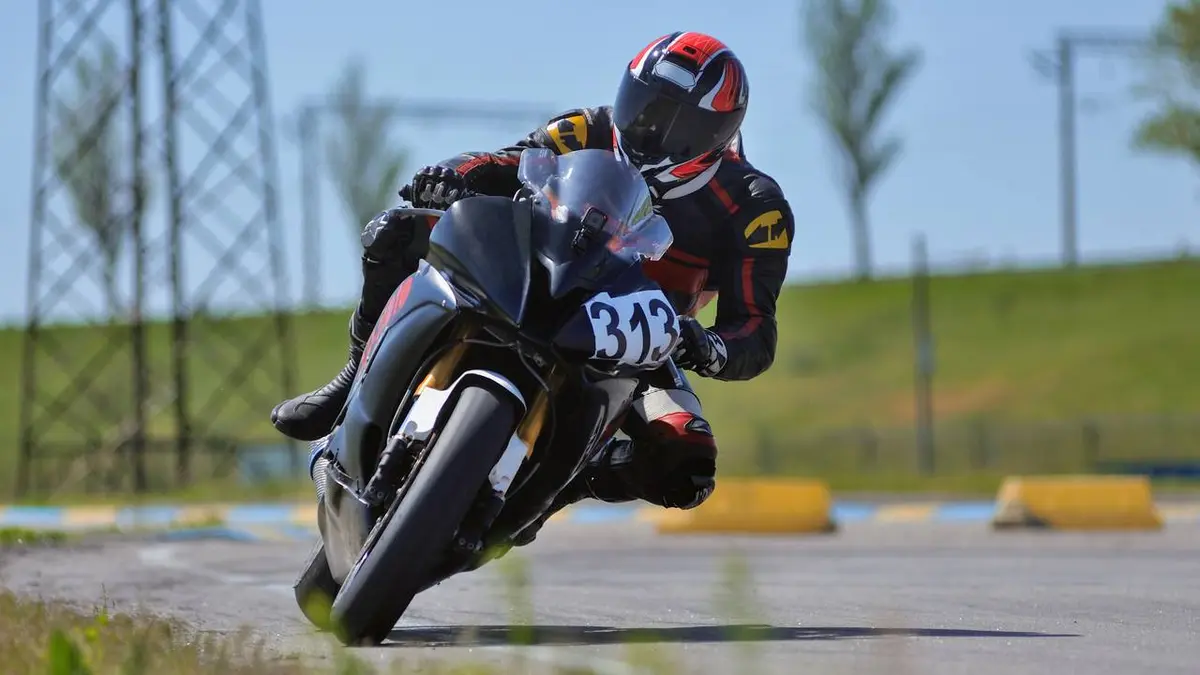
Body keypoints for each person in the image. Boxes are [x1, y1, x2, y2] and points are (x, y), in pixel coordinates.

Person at [272, 31, 796, 545]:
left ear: (718, 134)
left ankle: (563, 482)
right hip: (535, 270)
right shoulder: (586, 127)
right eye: (643, 105)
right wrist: (450, 174)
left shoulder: (754, 207)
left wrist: (708, 345)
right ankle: (352, 379)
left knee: (687, 465)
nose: (649, 128)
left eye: (677, 122)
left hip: (635, 332)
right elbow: (506, 161)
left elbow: (754, 327)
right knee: (394, 231)